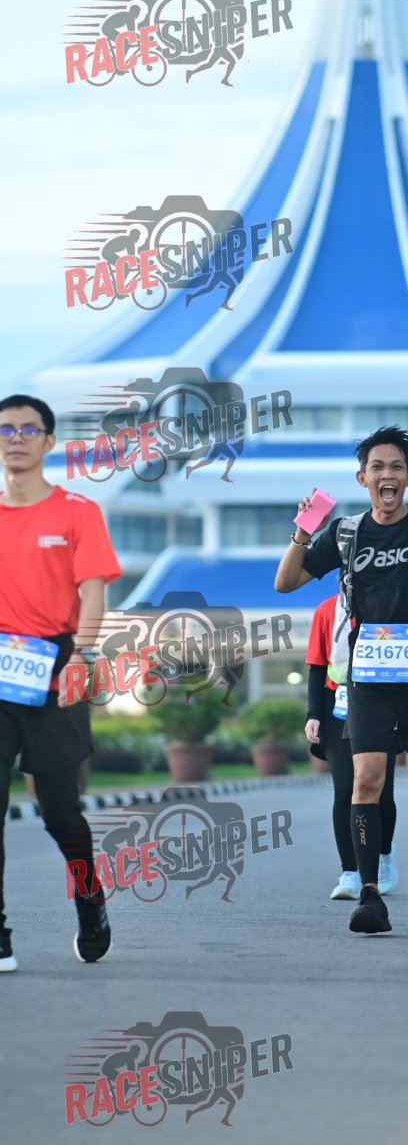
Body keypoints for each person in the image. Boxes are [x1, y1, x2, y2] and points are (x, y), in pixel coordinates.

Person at [275, 425, 408, 935]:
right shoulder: (346, 533)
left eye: (396, 467)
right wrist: (304, 530)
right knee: (366, 781)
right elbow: (285, 582)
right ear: (363, 478)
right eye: (377, 467)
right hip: (368, 678)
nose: (387, 475)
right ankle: (370, 893)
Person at [0, 394, 122, 970]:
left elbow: (93, 590)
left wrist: (82, 655)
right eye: (6, 430)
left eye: (29, 430)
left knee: (60, 812)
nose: (16, 439)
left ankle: (89, 897)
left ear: (49, 441)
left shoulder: (77, 511)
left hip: (56, 668)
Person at [304, 593, 398, 900]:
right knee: (345, 789)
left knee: (380, 790)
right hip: (338, 705)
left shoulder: (389, 600)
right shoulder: (326, 609)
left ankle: (383, 855)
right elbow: (317, 666)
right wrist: (313, 714)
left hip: (381, 702)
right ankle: (349, 872)